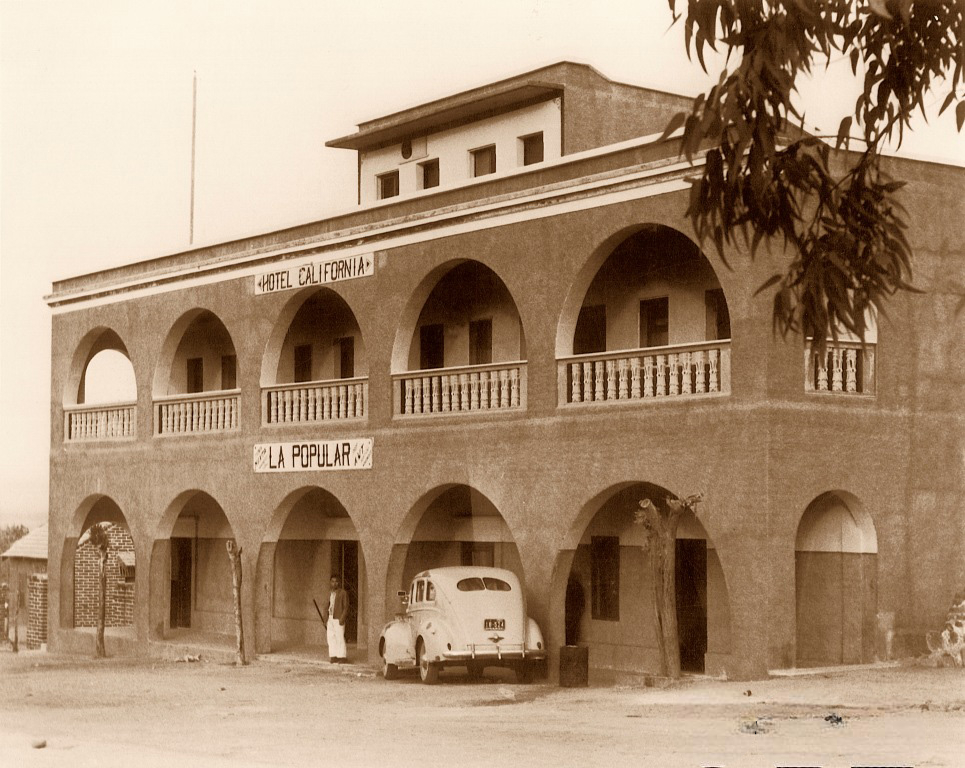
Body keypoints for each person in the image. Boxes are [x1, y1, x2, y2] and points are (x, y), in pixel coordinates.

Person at [322, 575, 349, 663]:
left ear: (339, 583)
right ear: (330, 582)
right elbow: (326, 606)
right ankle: (333, 656)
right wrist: (325, 619)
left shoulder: (343, 593)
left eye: (336, 581)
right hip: (330, 618)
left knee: (340, 637)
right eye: (332, 581)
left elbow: (346, 607)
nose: (334, 583)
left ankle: (342, 657)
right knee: (331, 637)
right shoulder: (329, 593)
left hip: (338, 618)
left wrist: (342, 618)